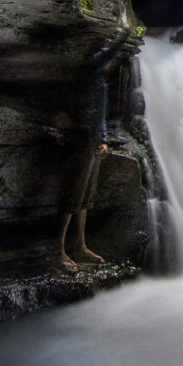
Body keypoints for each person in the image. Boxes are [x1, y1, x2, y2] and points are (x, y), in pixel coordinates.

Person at [55, 34, 124, 272]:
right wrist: (123, 35)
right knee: (72, 194)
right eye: (109, 58)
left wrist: (104, 140)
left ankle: (79, 245)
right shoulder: (88, 73)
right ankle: (57, 250)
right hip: (80, 138)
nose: (111, 62)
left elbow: (100, 115)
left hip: (94, 141)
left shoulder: (100, 83)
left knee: (85, 197)